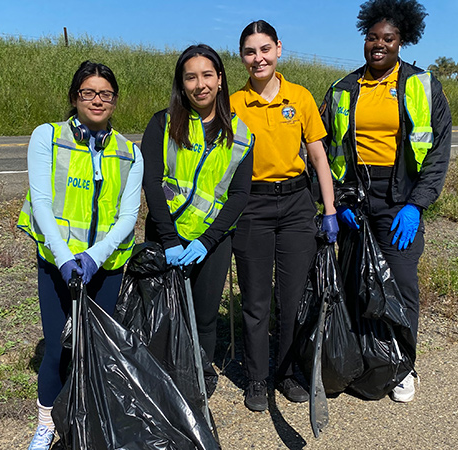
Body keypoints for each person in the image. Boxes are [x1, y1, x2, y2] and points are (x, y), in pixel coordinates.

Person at [319, 0, 451, 403]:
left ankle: (402, 365)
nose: (379, 45)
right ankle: (362, 358)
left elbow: (439, 151)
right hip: (356, 200)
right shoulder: (343, 89)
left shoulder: (422, 85)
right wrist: (338, 202)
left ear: (402, 41)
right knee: (358, 283)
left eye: (388, 38)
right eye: (372, 37)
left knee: (402, 284)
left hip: (400, 200)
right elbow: (322, 148)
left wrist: (417, 204)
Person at [17, 60, 143, 450]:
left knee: (96, 348)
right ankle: (46, 424)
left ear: (115, 100)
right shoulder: (48, 137)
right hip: (58, 262)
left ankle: (89, 418)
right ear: (75, 98)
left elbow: (128, 215)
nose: (97, 100)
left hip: (106, 268)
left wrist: (95, 257)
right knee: (57, 347)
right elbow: (40, 201)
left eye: (106, 94)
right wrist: (64, 256)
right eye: (88, 93)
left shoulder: (129, 152)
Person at [230, 20, 339, 412]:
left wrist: (329, 210)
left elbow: (318, 156)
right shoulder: (233, 103)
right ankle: (258, 378)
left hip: (295, 206)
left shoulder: (301, 97)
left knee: (292, 299)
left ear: (278, 49)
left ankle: (289, 372)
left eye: (264, 49)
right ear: (241, 57)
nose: (257, 58)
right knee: (256, 301)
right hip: (252, 207)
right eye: (249, 51)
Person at [140, 44, 254, 401]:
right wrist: (170, 239)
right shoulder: (162, 123)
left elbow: (238, 195)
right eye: (191, 76)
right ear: (181, 83)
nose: (200, 84)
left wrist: (207, 240)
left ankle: (197, 385)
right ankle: (159, 381)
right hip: (165, 237)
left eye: (208, 75)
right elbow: (152, 181)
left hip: (211, 243)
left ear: (220, 80)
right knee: (160, 316)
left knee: (203, 319)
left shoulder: (240, 133)